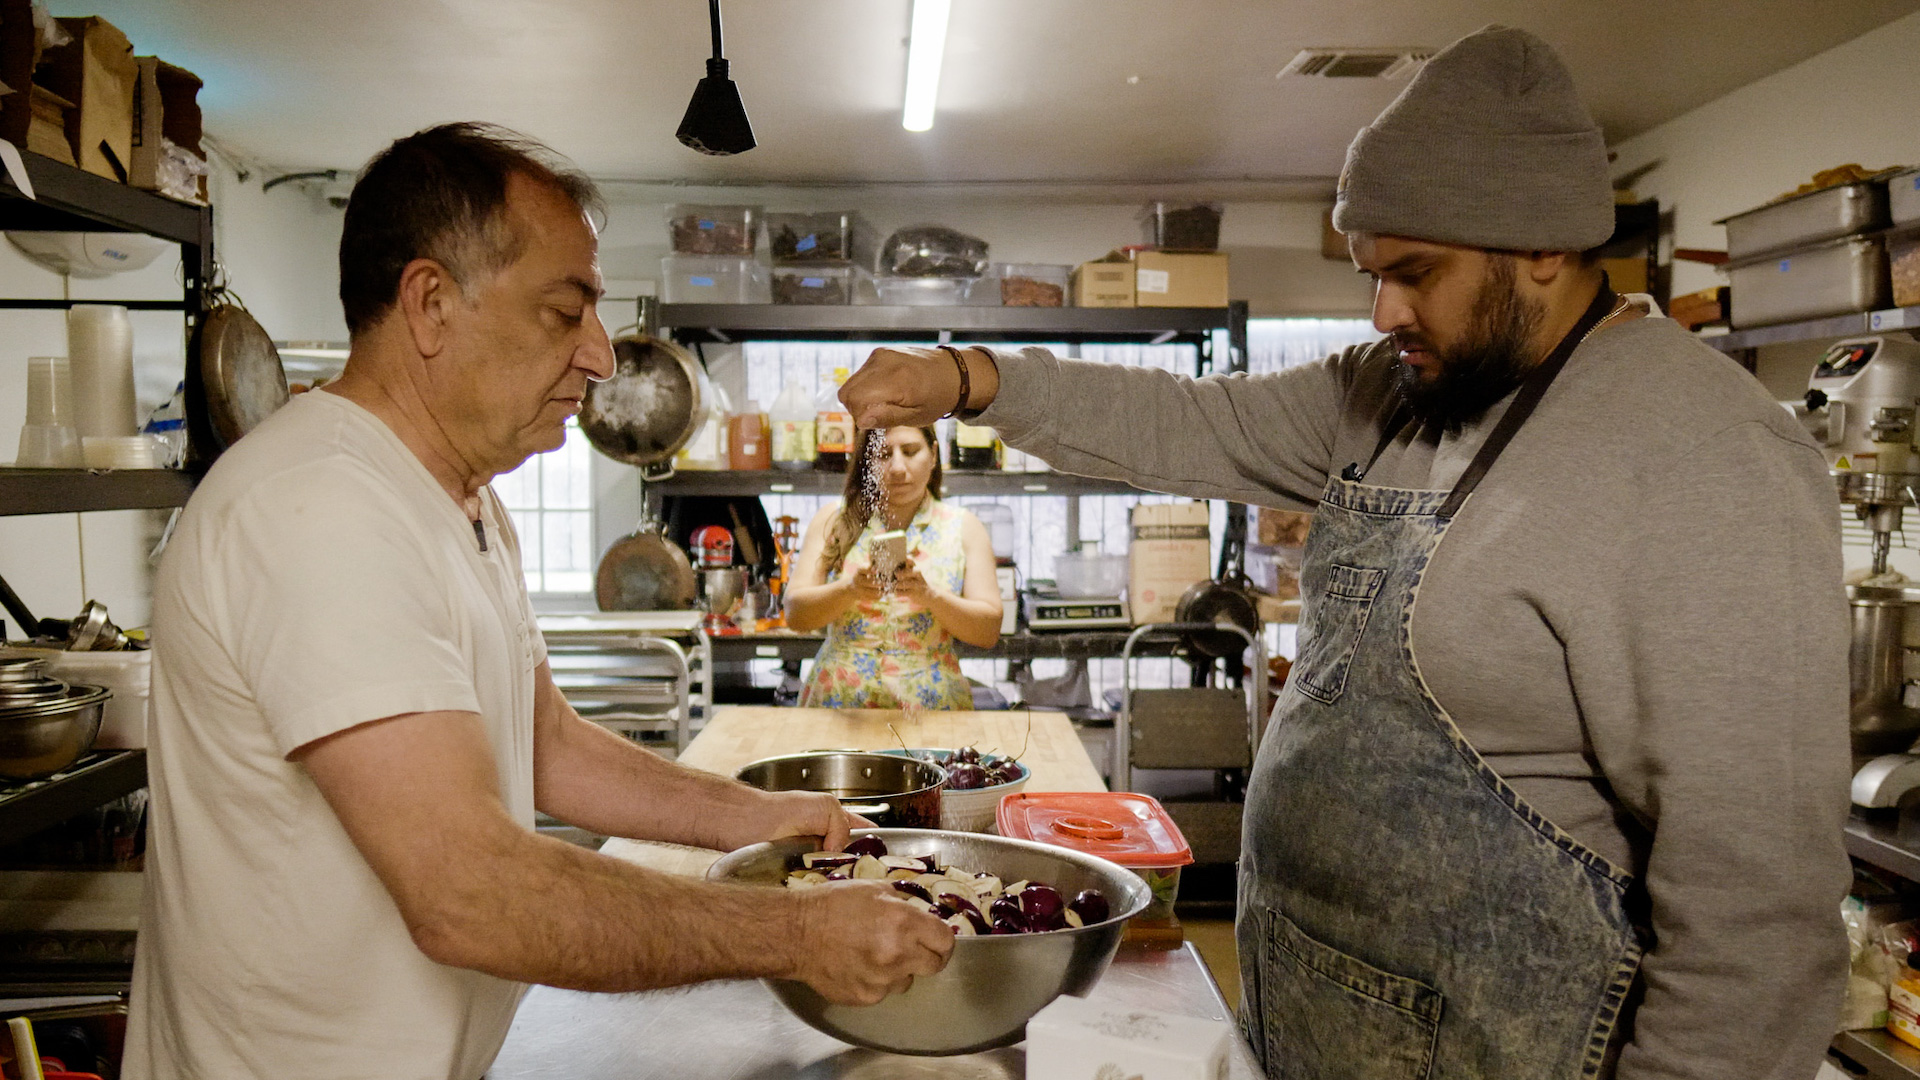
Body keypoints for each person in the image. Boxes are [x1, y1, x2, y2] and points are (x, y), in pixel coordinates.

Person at [840, 27, 1848, 1080]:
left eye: (1415, 273)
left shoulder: (1708, 455)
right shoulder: (1392, 394)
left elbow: (1757, 923)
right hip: (1317, 1026)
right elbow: (1187, 422)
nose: (1383, 313)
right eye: (1373, 274)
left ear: (1544, 245)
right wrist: (965, 378)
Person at [125, 124, 953, 1080]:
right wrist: (794, 935)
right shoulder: (317, 508)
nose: (600, 357)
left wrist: (753, 818)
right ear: (431, 304)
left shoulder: (462, 500)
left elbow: (544, 744)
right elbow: (469, 892)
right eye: (568, 312)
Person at [784, 424, 1003, 708]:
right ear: (867, 461)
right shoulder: (835, 520)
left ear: (933, 455)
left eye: (911, 451)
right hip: (840, 702)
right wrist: (849, 590)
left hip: (931, 705)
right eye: (884, 454)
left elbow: (988, 631)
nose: (898, 467)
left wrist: (929, 596)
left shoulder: (963, 527)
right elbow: (795, 613)